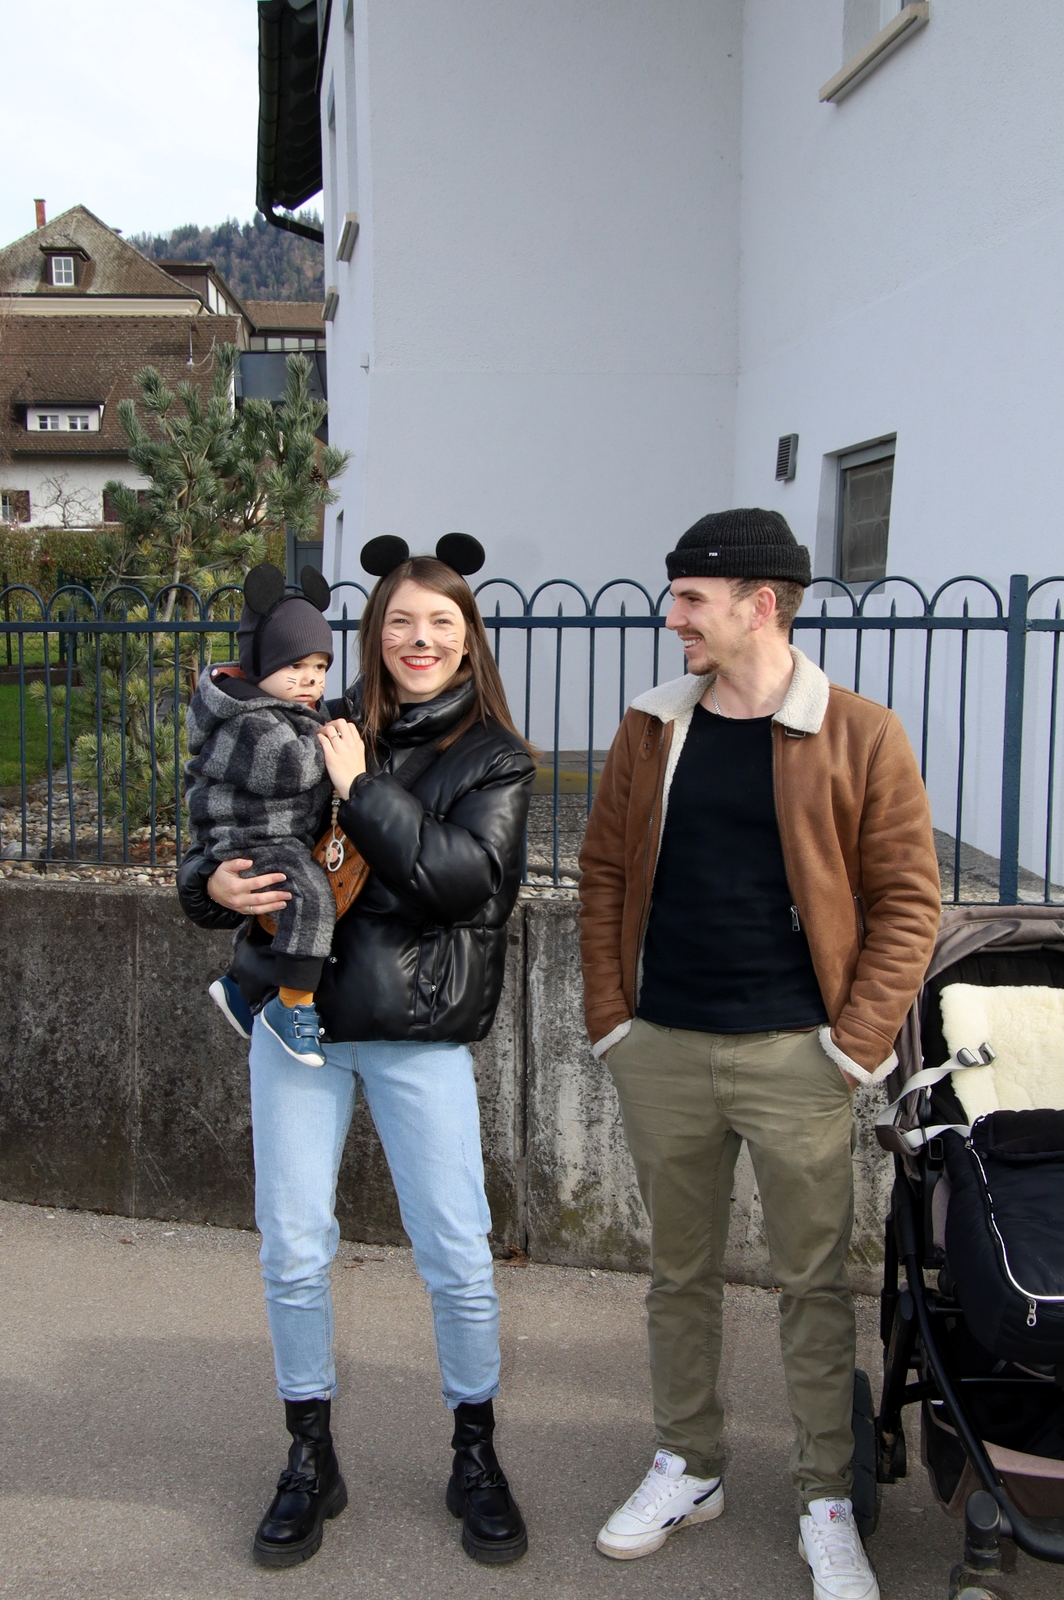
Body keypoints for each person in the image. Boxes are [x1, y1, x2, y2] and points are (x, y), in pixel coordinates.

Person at [578, 509, 940, 1600]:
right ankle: (687, 1465)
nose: (672, 618)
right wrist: (612, 1020)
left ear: (760, 604)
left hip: (798, 1058)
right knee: (676, 1276)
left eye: (690, 599)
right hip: (663, 1048)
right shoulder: (651, 727)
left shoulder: (860, 734)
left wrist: (852, 1048)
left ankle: (824, 1498)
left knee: (812, 1286)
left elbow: (907, 903)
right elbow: (602, 875)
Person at [177, 533, 535, 1569]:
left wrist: (364, 787)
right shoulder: (309, 719)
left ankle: (474, 1452)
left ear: (467, 636)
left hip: (417, 1030)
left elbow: (466, 883)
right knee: (292, 1247)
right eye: (399, 622)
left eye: (441, 623)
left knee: (456, 1254)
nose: (419, 640)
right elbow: (228, 821)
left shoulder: (492, 755)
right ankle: (309, 1455)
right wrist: (208, 886)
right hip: (299, 1028)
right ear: (373, 634)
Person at [185, 563, 336, 1065]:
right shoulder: (247, 718)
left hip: (274, 835)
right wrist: (336, 743)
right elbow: (291, 767)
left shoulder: (285, 709)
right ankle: (291, 1008)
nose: (310, 679)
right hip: (249, 837)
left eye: (320, 667)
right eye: (295, 665)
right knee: (309, 896)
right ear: (258, 665)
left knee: (281, 909)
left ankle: (240, 987)